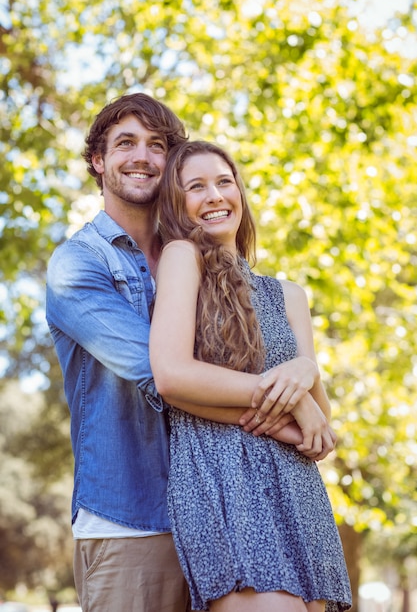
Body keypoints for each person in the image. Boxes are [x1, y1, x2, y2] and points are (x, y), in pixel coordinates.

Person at [149, 140, 352, 612]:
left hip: (299, 492)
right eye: (195, 187)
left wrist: (305, 370)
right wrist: (289, 397)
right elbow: (172, 375)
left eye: (224, 181)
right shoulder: (183, 257)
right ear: (177, 205)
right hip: (224, 482)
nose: (215, 195)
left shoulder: (289, 295)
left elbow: (319, 431)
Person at [45, 92, 191, 612]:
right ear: (98, 161)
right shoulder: (77, 265)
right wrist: (289, 411)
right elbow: (166, 374)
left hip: (216, 514)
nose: (143, 157)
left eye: (157, 145)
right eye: (125, 143)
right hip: (131, 521)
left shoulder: (196, 259)